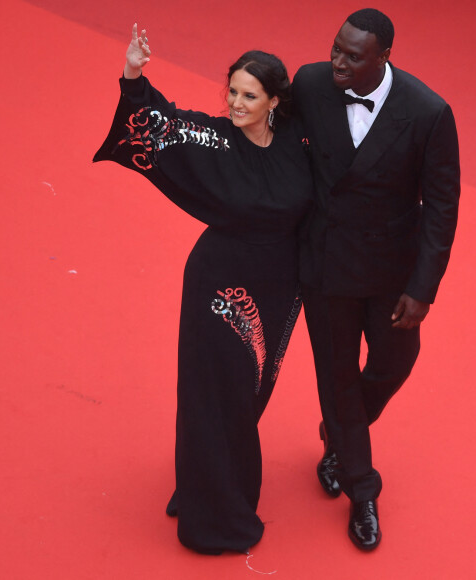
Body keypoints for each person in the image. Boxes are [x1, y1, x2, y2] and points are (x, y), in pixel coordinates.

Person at [94, 24, 313, 554]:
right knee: (211, 395)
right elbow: (160, 122)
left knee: (248, 394)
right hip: (218, 288)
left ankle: (208, 483)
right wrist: (134, 73)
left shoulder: (298, 145)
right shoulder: (215, 140)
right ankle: (212, 518)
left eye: (249, 95)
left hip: (278, 289)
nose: (236, 103)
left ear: (275, 101)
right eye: (232, 91)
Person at [292, 8, 460, 550]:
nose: (337, 61)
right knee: (336, 376)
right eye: (336, 48)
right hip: (326, 263)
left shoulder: (429, 111)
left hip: (392, 271)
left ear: (384, 56)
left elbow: (441, 206)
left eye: (352, 55)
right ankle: (362, 490)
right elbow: (278, 149)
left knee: (396, 362)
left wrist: (422, 289)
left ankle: (339, 433)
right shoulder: (311, 83)